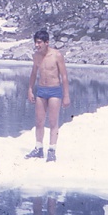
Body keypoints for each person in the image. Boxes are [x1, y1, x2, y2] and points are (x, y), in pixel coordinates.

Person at [25, 29, 70, 162]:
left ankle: (52, 150)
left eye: (39, 42)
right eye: (36, 42)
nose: (37, 45)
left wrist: (66, 95)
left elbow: (64, 76)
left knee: (53, 122)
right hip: (41, 90)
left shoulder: (56, 55)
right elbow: (34, 73)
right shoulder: (36, 56)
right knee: (39, 121)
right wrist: (30, 89)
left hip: (54, 90)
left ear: (46, 42)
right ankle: (39, 148)